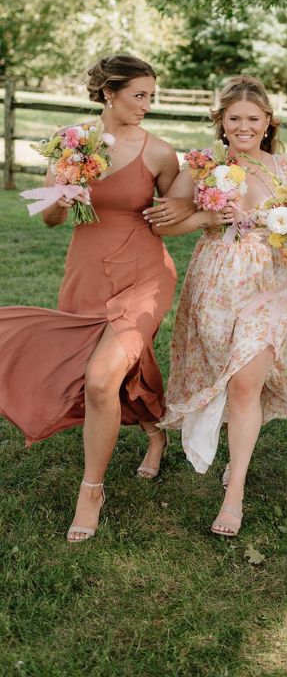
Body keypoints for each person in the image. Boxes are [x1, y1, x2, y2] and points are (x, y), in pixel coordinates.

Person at [0, 54, 180, 542]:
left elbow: (177, 216)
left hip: (145, 274)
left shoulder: (161, 154)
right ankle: (154, 430)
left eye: (151, 96)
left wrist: (205, 208)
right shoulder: (73, 143)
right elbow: (51, 220)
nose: (147, 105)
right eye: (138, 95)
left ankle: (92, 489)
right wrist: (66, 191)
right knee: (115, 367)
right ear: (109, 94)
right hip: (86, 272)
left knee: (101, 379)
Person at [154, 75, 287, 537]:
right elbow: (164, 225)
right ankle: (227, 445)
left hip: (271, 285)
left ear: (267, 122)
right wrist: (206, 217)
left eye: (252, 119)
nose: (243, 126)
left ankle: (233, 493)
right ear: (221, 122)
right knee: (223, 370)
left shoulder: (286, 170)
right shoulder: (201, 166)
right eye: (234, 118)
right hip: (216, 279)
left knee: (244, 383)